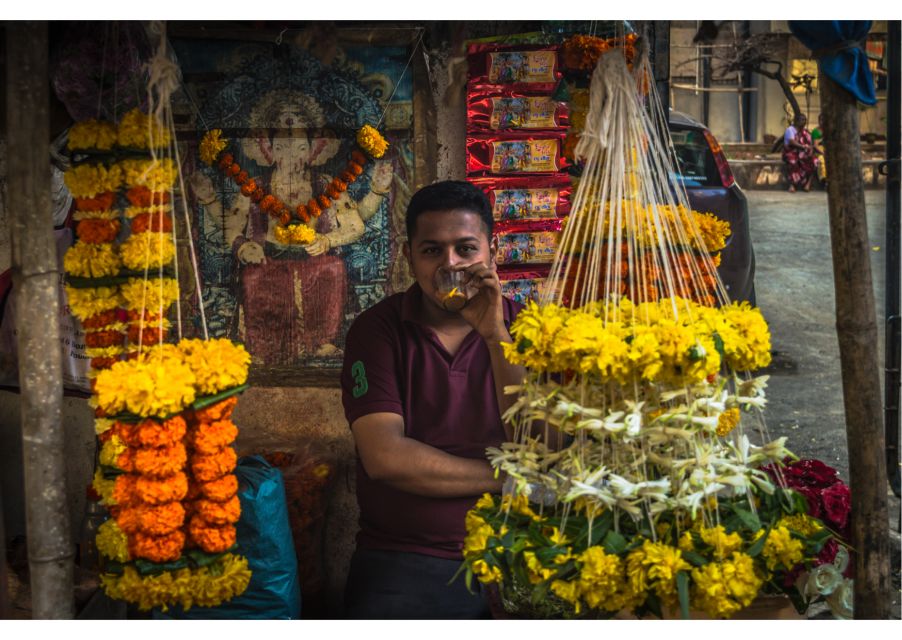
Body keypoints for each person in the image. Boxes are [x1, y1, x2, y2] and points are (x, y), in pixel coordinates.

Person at [340, 180, 525, 619]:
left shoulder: (526, 326)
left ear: (491, 251)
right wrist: (513, 480)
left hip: (519, 543)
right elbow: (386, 457)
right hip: (407, 555)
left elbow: (540, 441)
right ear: (409, 257)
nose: (451, 265)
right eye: (431, 251)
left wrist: (496, 336)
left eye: (465, 248)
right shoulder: (377, 331)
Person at [782, 113, 817, 193]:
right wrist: (803, 147)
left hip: (802, 152)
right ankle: (792, 185)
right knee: (793, 161)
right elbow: (791, 142)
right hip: (790, 151)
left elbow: (810, 144)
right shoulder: (790, 130)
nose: (804, 122)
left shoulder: (805, 132)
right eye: (802, 120)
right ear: (796, 121)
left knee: (814, 160)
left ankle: (808, 184)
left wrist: (810, 151)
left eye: (805, 120)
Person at [811, 112, 827, 186]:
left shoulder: (828, 130)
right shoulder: (815, 132)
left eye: (824, 120)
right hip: (819, 152)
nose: (822, 122)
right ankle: (824, 179)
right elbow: (815, 146)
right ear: (819, 121)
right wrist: (823, 153)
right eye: (821, 120)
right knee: (822, 159)